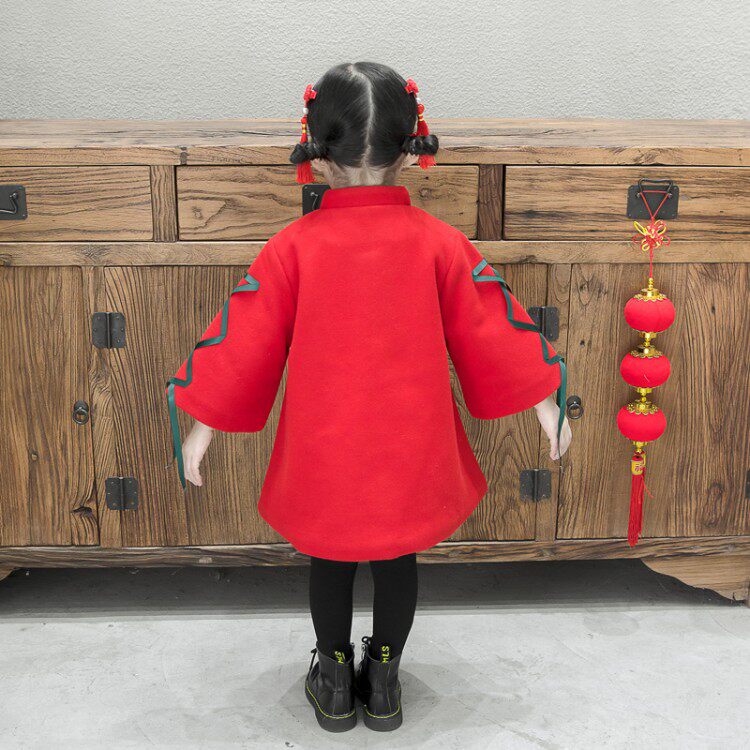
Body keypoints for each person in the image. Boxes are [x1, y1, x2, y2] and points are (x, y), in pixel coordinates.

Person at [165, 61, 572, 733]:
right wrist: (545, 406)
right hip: (410, 444)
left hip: (325, 446)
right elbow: (493, 326)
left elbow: (244, 338)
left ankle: (332, 683)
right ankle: (383, 682)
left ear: (317, 155)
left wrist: (200, 429)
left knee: (329, 560)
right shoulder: (440, 244)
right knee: (397, 560)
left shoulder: (292, 248)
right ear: (410, 151)